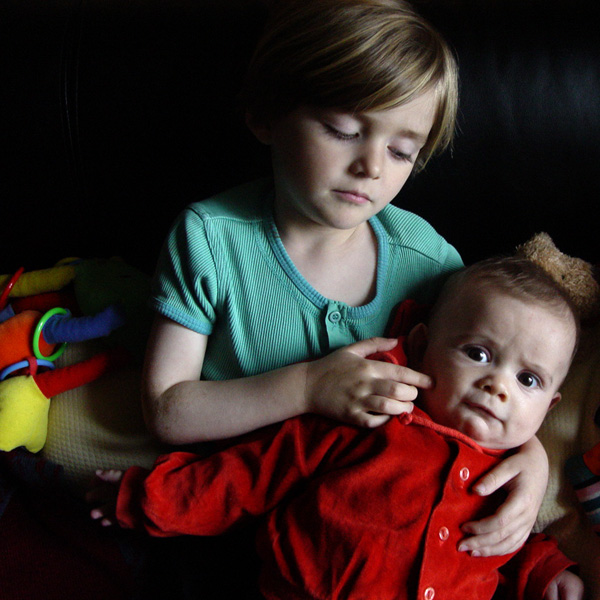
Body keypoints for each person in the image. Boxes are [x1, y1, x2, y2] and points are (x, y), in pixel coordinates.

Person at [141, 0, 548, 560]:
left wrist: (533, 456)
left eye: (402, 151)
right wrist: (308, 387)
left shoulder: (430, 261)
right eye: (343, 130)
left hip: (371, 535)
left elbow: (491, 373)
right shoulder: (210, 238)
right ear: (265, 116)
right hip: (229, 512)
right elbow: (166, 409)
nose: (372, 167)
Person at [88, 256, 584, 600]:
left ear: (549, 407)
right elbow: (251, 474)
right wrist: (149, 498)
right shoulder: (368, 416)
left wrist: (545, 572)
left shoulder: (510, 478)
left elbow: (504, 540)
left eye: (528, 380)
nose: (499, 386)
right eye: (477, 353)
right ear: (420, 345)